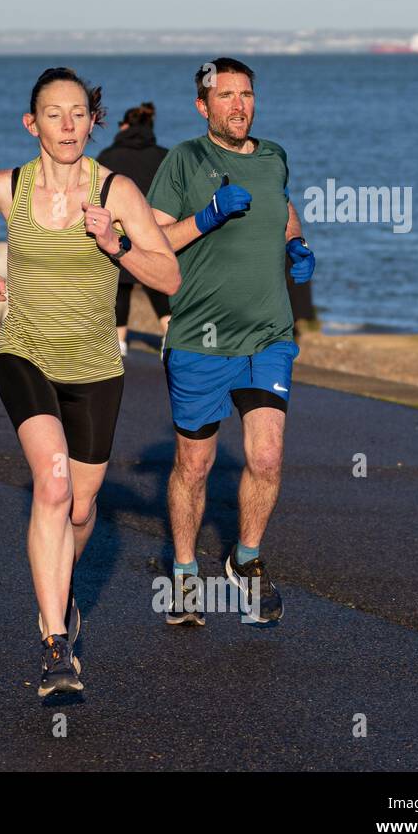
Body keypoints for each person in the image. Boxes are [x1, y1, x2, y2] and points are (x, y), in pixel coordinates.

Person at [0, 67, 179, 696]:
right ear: (31, 123)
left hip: (96, 365)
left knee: (82, 509)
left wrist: (115, 245)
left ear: (94, 121)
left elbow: (168, 278)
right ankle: (56, 641)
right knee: (53, 483)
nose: (67, 125)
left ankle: (57, 592)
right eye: (53, 114)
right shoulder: (6, 187)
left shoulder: (115, 193)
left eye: (79, 113)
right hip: (25, 352)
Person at [145, 57, 315, 626]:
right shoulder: (184, 160)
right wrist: (209, 215)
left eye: (246, 94)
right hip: (199, 338)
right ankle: (187, 573)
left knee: (266, 456)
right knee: (195, 465)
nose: (239, 105)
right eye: (226, 96)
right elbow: (152, 241)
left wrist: (297, 242)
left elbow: (283, 207)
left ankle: (245, 561)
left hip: (268, 334)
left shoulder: (272, 157)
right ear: (203, 105)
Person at [96, 102, 172, 353]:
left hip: (119, 231)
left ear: (125, 126)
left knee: (120, 285)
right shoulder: (165, 156)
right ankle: (169, 337)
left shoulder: (108, 157)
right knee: (159, 284)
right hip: (156, 230)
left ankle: (119, 342)